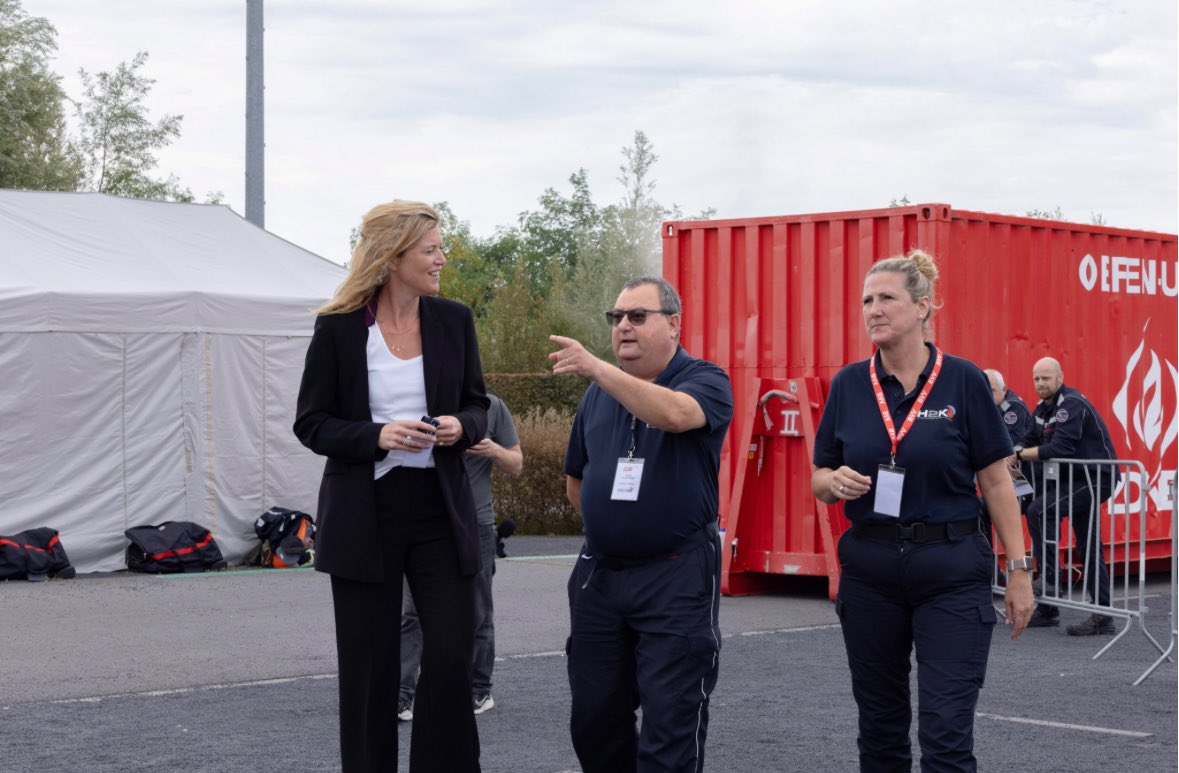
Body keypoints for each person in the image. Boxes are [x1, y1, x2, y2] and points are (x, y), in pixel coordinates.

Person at [810, 249, 1034, 772]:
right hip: (871, 571)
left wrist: (1019, 570)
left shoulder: (962, 380)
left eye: (887, 298)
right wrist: (831, 482)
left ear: (924, 307)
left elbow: (997, 480)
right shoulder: (848, 384)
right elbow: (820, 476)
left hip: (951, 569)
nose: (873, 309)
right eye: (866, 300)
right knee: (881, 730)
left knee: (946, 734)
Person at [293, 200, 489, 773]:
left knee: (452, 655)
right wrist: (378, 435)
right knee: (370, 669)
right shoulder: (337, 328)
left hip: (439, 510)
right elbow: (312, 422)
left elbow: (476, 404)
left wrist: (461, 426)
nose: (442, 259)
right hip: (365, 513)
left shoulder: (453, 320)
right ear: (394, 255)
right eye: (431, 250)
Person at [550, 275, 733, 773]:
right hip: (601, 577)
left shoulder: (705, 378)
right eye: (616, 318)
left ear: (673, 323)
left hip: (675, 576)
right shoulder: (597, 397)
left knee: (671, 719)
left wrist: (596, 369)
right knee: (594, 716)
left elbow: (676, 415)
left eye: (637, 316)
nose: (623, 326)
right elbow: (576, 482)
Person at [398, 393, 523, 720]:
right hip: (425, 523)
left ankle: (478, 690)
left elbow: (516, 463)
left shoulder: (492, 406)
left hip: (476, 522)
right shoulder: (419, 400)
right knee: (411, 613)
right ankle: (402, 695)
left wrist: (494, 449)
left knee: (477, 610)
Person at [1016, 357, 1119, 636]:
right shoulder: (1042, 407)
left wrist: (1020, 455)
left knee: (1039, 510)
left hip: (1095, 479)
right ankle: (1096, 616)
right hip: (1076, 480)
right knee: (1088, 545)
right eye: (1036, 379)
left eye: (1046, 378)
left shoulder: (1070, 404)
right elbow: (1028, 438)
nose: (1040, 384)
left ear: (1060, 377)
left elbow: (1060, 447)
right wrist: (1014, 451)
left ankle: (1050, 581)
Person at [981, 369, 1035, 547]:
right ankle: (993, 572)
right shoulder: (987, 409)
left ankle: (1046, 572)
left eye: (993, 390)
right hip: (1008, 480)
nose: (988, 395)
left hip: (1023, 481)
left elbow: (1007, 448)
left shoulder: (1013, 408)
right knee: (981, 511)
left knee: (1034, 521)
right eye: (985, 390)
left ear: (1004, 390)